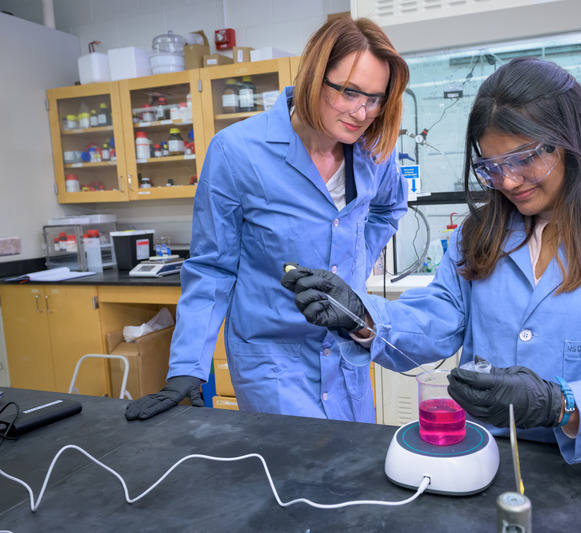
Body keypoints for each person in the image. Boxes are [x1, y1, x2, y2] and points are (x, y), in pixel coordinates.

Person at [281, 57, 581, 463]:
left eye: (523, 158)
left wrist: (561, 404)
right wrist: (359, 315)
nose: (508, 181)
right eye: (491, 166)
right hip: (490, 464)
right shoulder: (481, 235)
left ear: (573, 141)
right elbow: (437, 321)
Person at [125, 17, 410, 423]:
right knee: (288, 480)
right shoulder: (237, 151)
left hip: (346, 353)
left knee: (353, 473)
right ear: (315, 76)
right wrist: (187, 367)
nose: (363, 111)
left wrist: (358, 258)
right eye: (350, 92)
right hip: (273, 364)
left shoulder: (373, 153)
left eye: (375, 99)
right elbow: (212, 267)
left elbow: (388, 208)